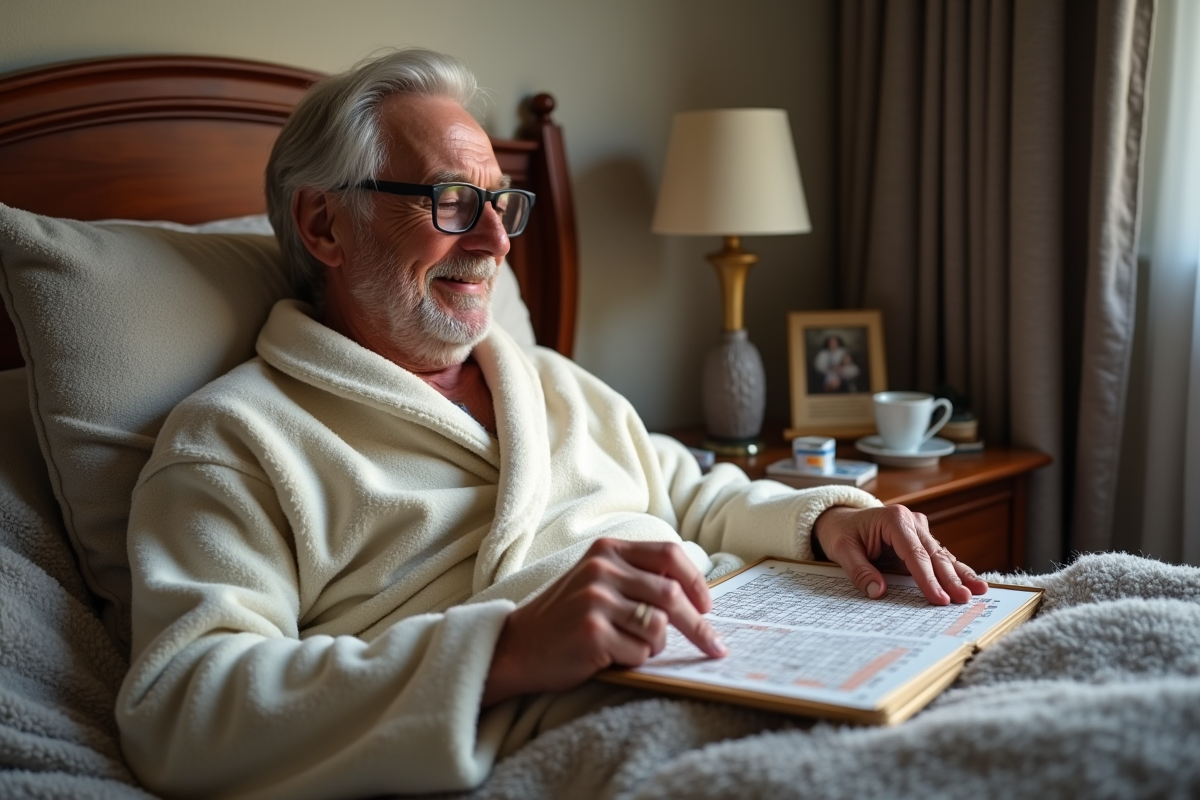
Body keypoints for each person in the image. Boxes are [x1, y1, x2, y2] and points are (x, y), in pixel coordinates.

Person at [116, 48, 987, 799]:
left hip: (775, 664)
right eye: (453, 200)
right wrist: (507, 648)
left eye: (501, 203)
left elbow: (695, 495)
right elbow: (181, 707)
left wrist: (829, 520)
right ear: (324, 224)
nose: (497, 242)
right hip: (599, 730)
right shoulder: (239, 439)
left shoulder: (548, 383)